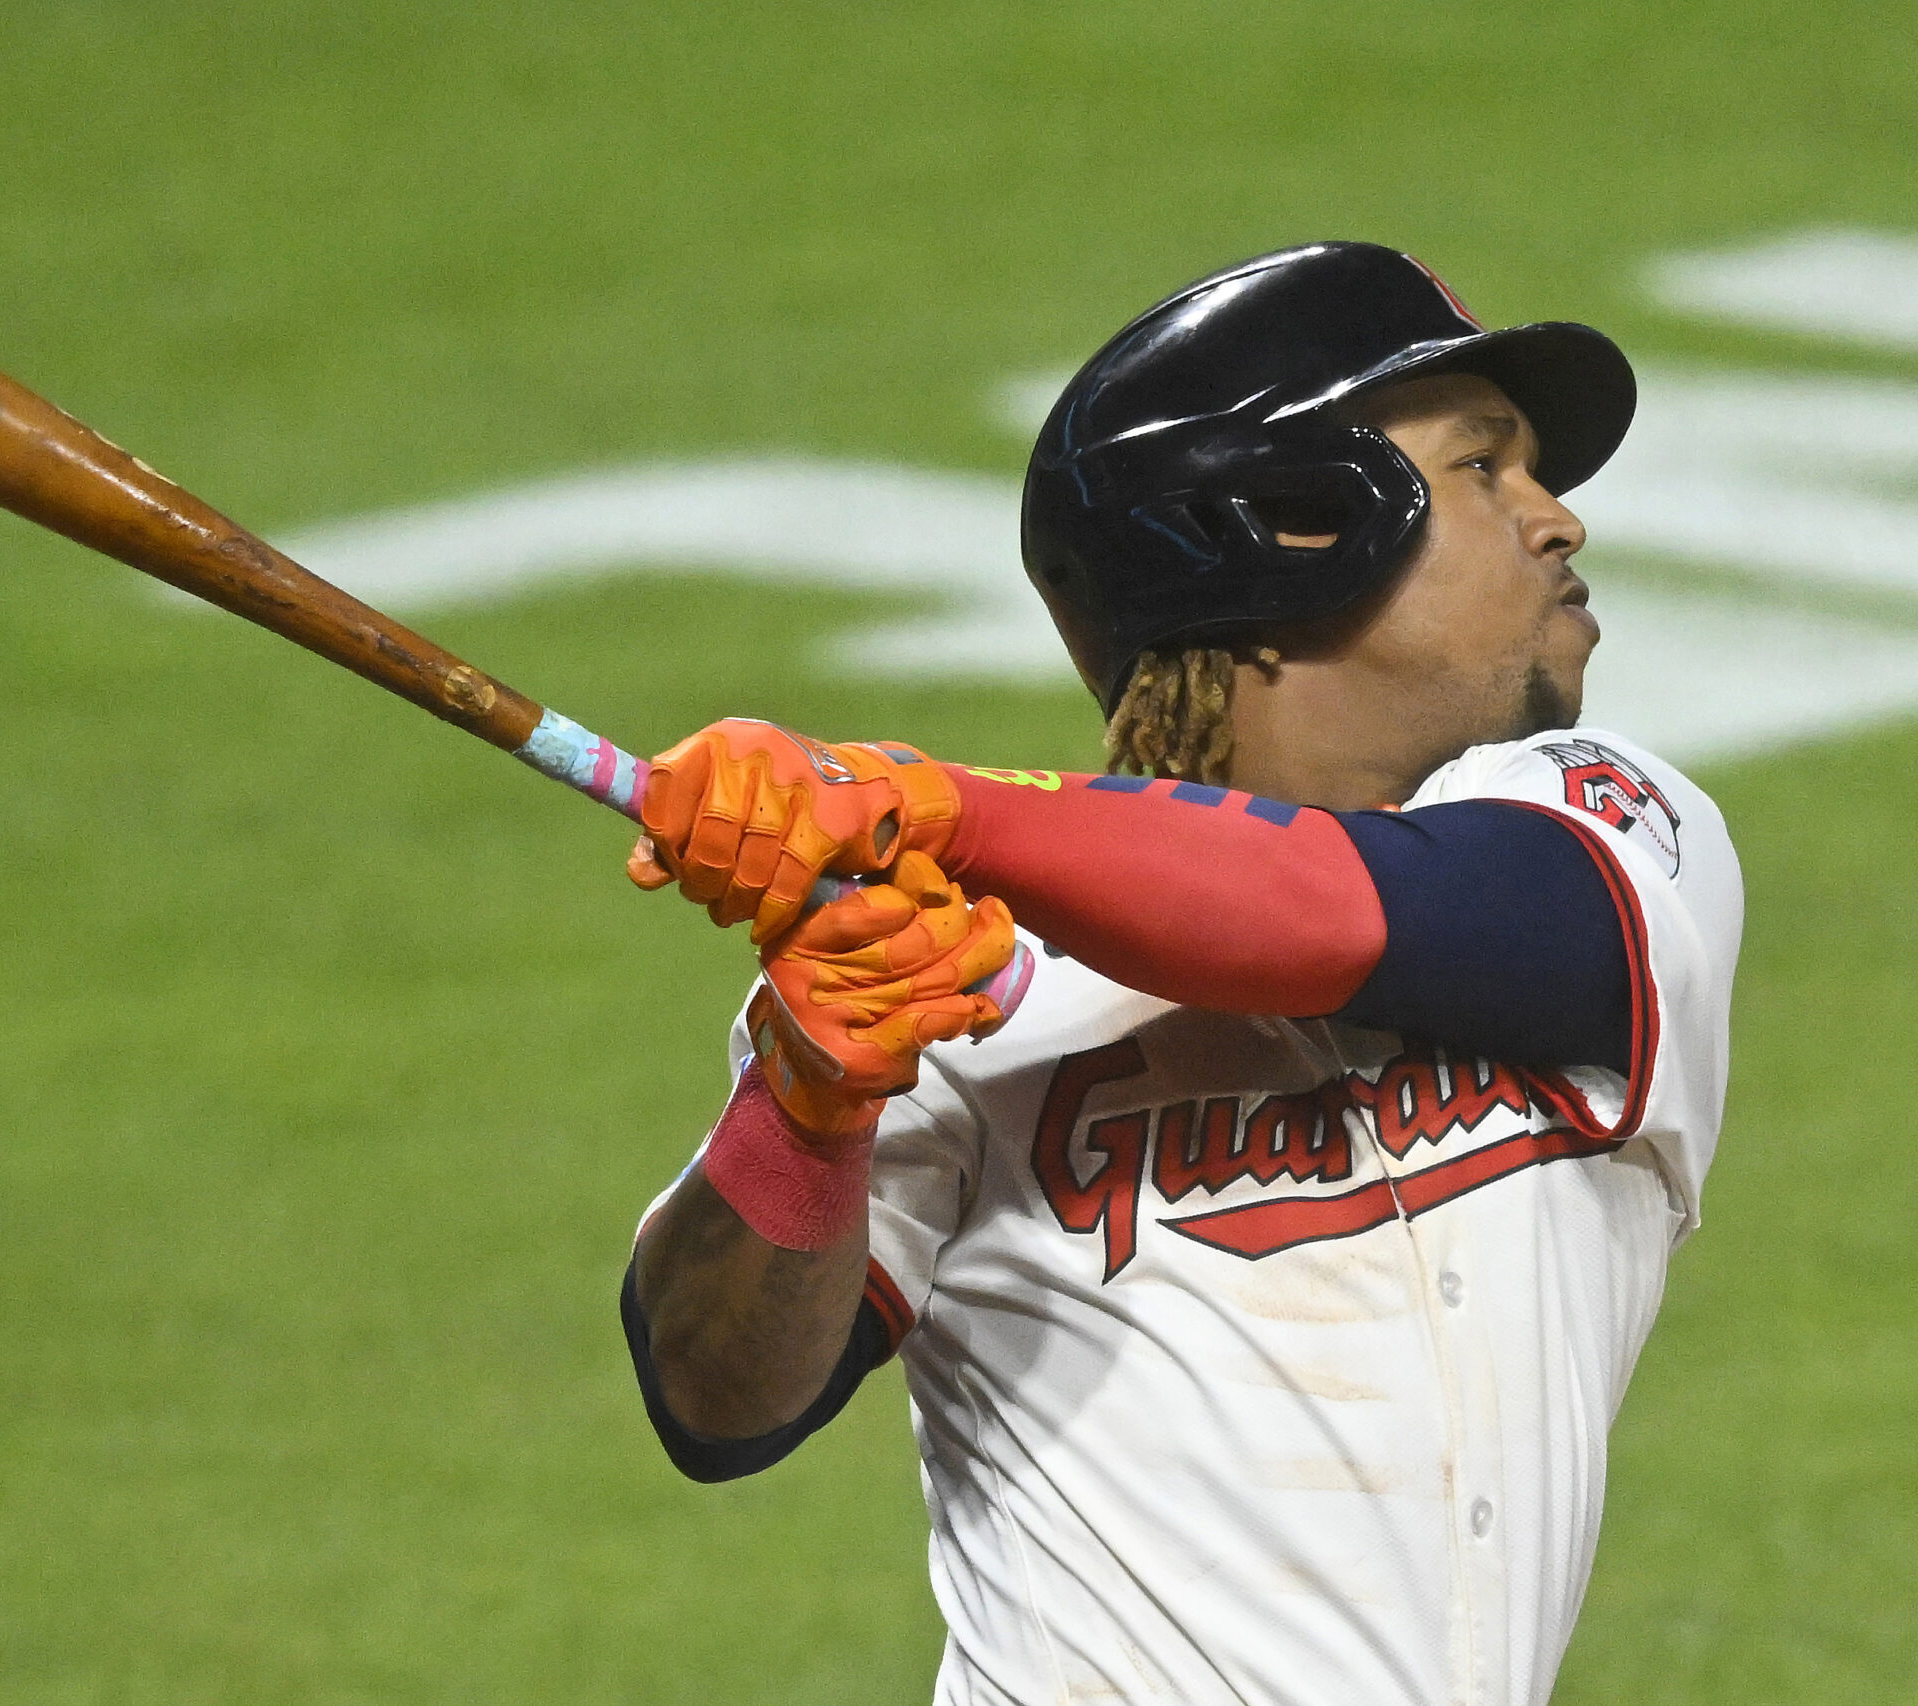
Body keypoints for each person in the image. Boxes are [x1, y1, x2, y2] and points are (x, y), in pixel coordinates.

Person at [619, 243, 1743, 1706]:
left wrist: (935, 802)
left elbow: (1336, 914)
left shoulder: (1618, 844)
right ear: (1291, 523)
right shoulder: (957, 967)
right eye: (1485, 470)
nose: (1558, 518)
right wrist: (811, 1098)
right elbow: (714, 1398)